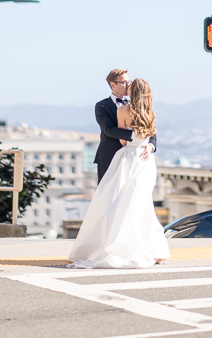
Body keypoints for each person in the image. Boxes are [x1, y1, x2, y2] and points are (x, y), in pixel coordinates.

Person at [68, 78, 170, 269]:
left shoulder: (122, 111)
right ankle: (152, 248)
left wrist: (139, 140)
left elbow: (123, 141)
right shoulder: (150, 112)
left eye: (129, 84)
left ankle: (116, 244)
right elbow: (150, 133)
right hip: (145, 161)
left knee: (118, 201)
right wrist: (145, 142)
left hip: (129, 157)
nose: (126, 85)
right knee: (141, 203)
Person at [94, 68, 156, 183]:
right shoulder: (101, 106)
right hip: (109, 157)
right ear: (113, 85)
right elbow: (109, 129)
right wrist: (136, 136)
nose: (128, 85)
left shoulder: (137, 105)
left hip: (134, 158)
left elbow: (150, 129)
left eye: (129, 81)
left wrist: (150, 145)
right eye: (124, 82)